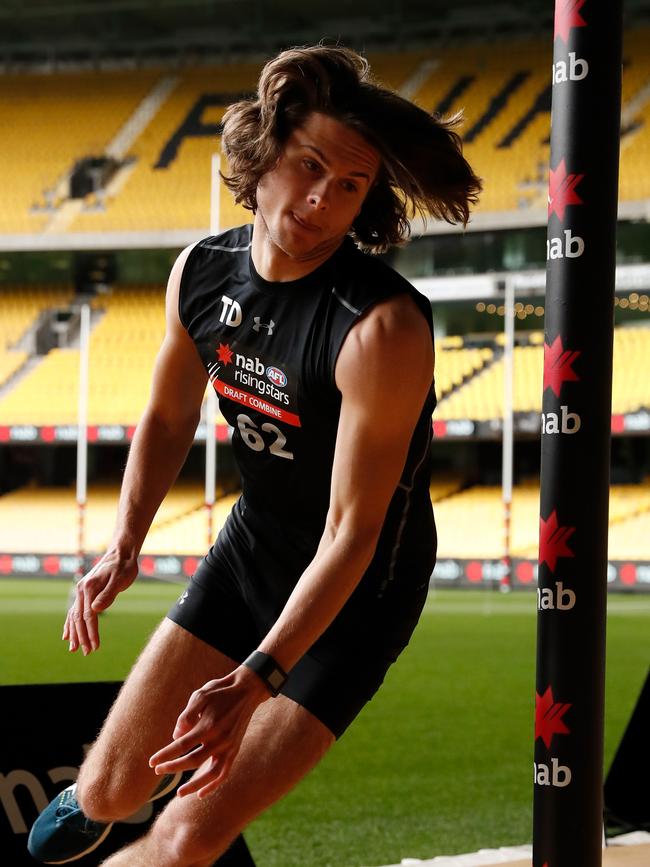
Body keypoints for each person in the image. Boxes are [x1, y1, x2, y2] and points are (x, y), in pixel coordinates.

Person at [28, 44, 481, 867]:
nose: (321, 199)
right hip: (252, 548)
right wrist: (124, 543)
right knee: (108, 791)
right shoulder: (200, 272)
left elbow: (352, 532)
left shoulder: (381, 328)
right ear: (263, 152)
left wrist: (258, 676)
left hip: (356, 594)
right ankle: (96, 798)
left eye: (349, 186)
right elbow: (168, 416)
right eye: (309, 165)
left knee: (190, 832)